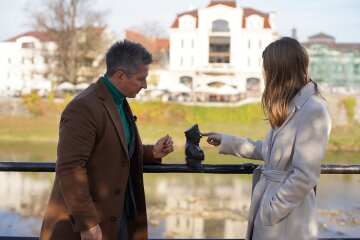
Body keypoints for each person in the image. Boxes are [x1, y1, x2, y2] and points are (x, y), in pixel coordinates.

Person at [40, 40, 174, 240]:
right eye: (141, 79)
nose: (145, 85)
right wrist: (88, 223)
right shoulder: (83, 107)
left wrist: (151, 152)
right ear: (120, 75)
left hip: (117, 215)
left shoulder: (117, 100)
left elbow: (114, 149)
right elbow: (70, 168)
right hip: (92, 222)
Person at [203, 37, 331, 240]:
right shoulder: (292, 105)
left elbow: (306, 175)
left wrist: (272, 209)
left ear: (280, 70)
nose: (265, 74)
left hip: (287, 219)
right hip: (274, 207)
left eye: (267, 68)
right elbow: (272, 152)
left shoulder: (313, 109)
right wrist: (227, 141)